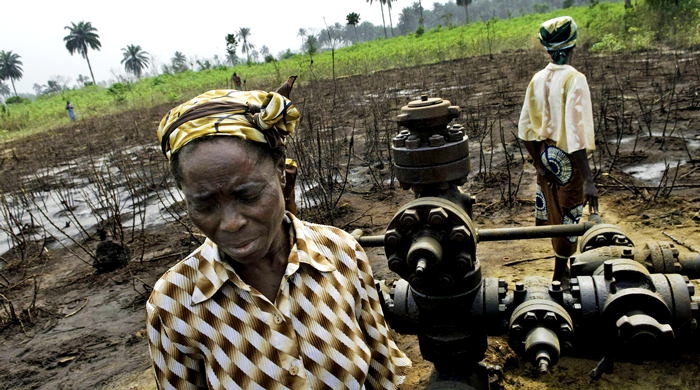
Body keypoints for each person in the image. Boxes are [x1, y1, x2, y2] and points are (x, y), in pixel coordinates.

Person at [148, 76, 411, 389]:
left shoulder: (341, 253)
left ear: (283, 175)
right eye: (204, 205)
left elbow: (384, 376)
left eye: (248, 195)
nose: (231, 223)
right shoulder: (175, 302)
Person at [518, 16, 598, 288]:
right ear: (571, 46)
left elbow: (525, 128)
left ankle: (560, 270)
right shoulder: (575, 79)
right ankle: (560, 276)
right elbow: (577, 135)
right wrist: (588, 178)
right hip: (568, 161)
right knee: (570, 216)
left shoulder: (537, 78)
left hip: (547, 156)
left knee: (557, 213)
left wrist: (540, 166)